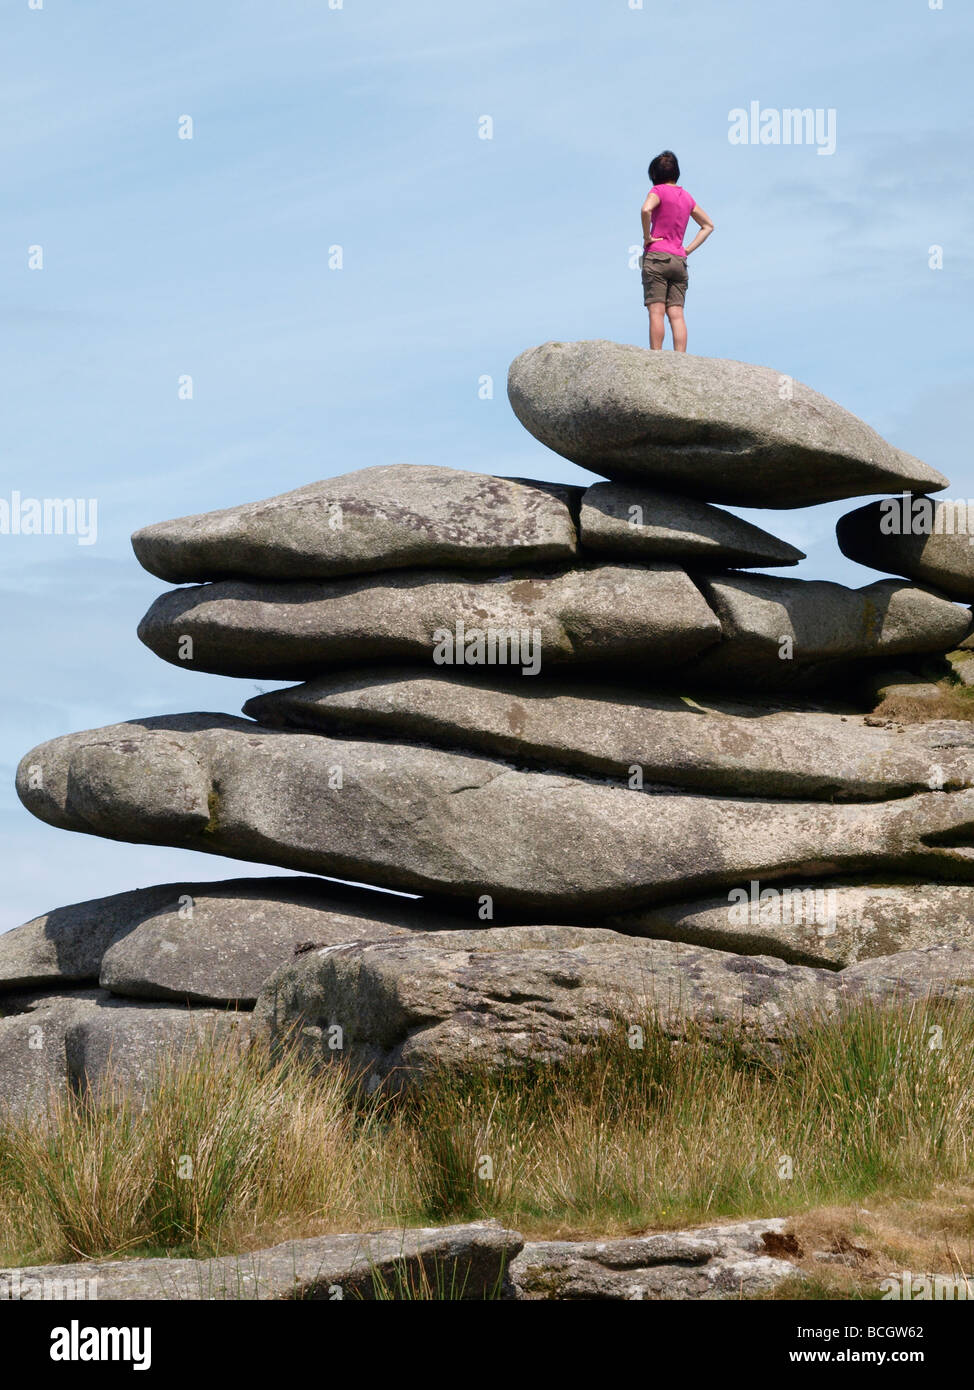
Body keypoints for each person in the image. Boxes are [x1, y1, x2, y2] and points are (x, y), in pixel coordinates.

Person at [640, 151, 714, 352]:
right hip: (679, 260)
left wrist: (647, 237)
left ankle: (657, 355)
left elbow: (646, 209)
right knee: (677, 313)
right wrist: (687, 249)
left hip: (657, 256)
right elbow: (708, 225)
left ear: (654, 174)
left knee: (656, 311)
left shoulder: (658, 191)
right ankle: (680, 359)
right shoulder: (687, 197)